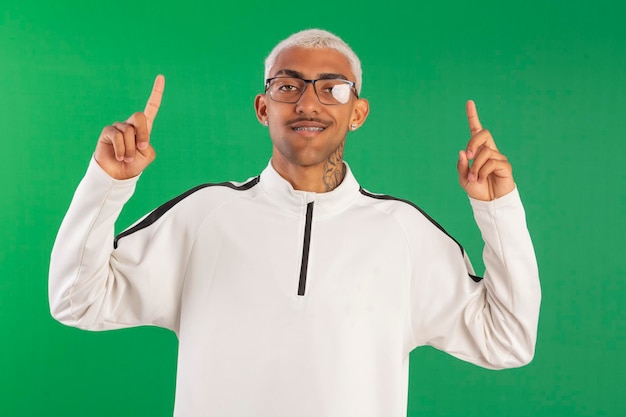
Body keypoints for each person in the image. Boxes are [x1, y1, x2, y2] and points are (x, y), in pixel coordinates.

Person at [49, 29, 541, 417]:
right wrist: (106, 183)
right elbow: (76, 301)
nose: (309, 103)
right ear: (264, 108)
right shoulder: (205, 216)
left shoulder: (403, 231)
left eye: (333, 88)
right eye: (288, 86)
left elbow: (508, 339)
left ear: (358, 112)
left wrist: (498, 211)